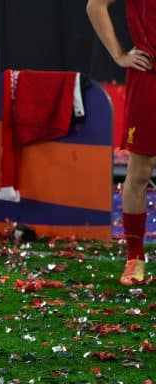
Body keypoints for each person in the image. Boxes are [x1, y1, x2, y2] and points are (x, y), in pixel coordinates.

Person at [87, 0, 154, 285]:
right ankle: (134, 257)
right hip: (149, 76)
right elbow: (95, 5)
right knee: (140, 171)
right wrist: (119, 54)